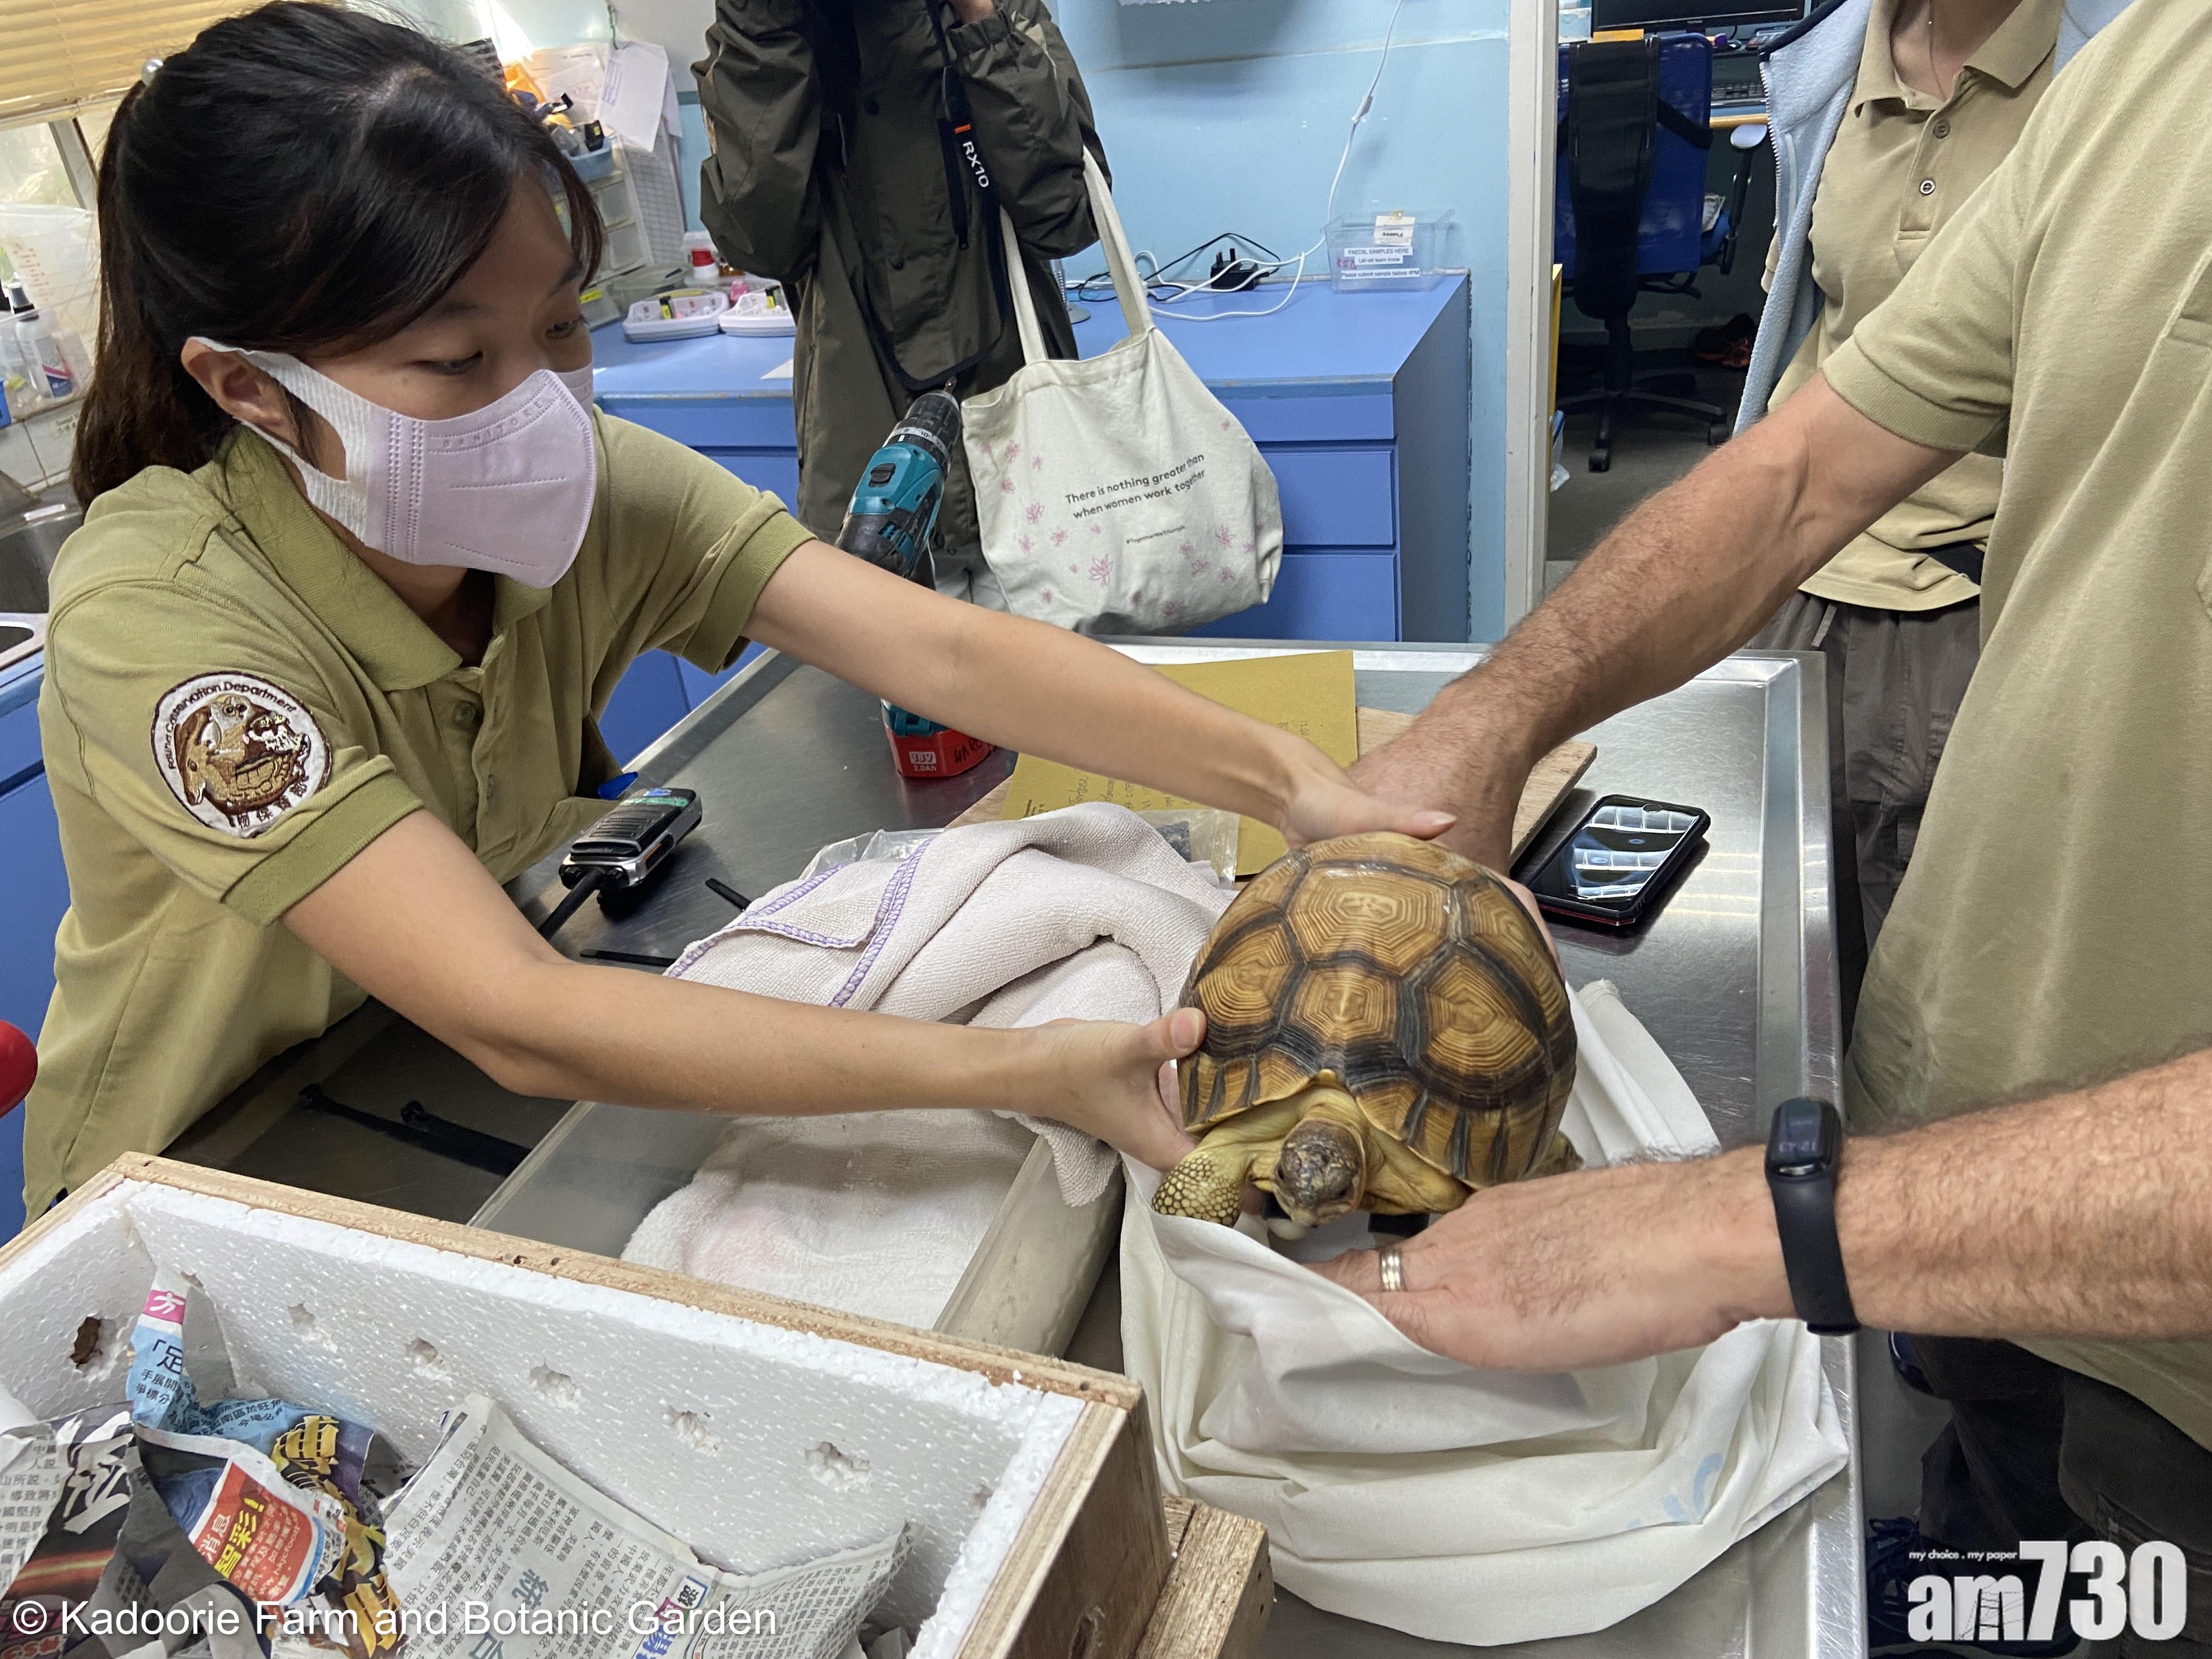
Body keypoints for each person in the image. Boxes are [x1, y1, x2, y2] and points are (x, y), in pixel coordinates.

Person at [22, 3, 1450, 1218]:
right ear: (252, 388)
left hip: (403, 1069)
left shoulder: (581, 496)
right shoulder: (168, 621)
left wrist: (1290, 781)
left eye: (565, 324)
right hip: (195, 1164)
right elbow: (519, 1014)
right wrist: (1024, 1074)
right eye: (459, 359)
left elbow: (939, 645)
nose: (539, 403)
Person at [1331, 0, 2207, 1650]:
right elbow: (1803, 468)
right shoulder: (2151, 72)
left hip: (2177, 1386)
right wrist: (1500, 709)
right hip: (1978, 1147)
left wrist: (1744, 1221)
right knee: (1984, 1521)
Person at [1741, 0, 2058, 1017]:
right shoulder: (1831, 66)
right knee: (1765, 915)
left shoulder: (2109, 64)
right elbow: (1820, 311)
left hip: (1963, 577)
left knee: (1919, 970)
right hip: (1792, 552)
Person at [692, 0, 1099, 608]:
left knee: (1058, 697)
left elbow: (1069, 215)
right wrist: (763, 26)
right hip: (866, 479)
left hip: (1027, 466)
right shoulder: (764, 35)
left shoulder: (996, 11)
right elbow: (761, 243)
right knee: (881, 702)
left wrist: (979, 23)